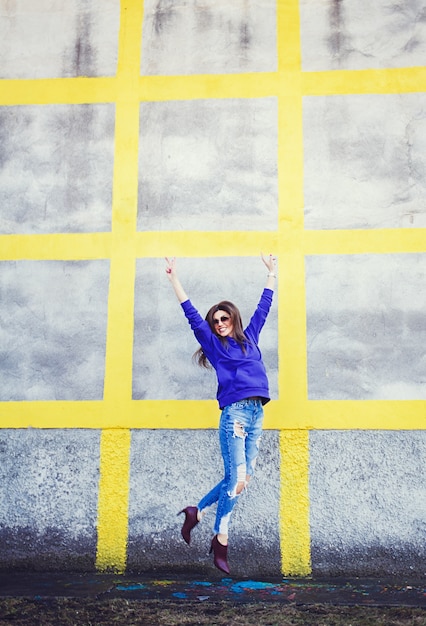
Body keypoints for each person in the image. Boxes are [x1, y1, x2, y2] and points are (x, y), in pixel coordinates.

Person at [165, 254, 276, 574]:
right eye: (216, 321)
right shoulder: (214, 345)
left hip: (256, 414)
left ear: (234, 319)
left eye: (224, 319)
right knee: (236, 479)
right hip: (236, 416)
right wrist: (174, 278)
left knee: (240, 481)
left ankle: (195, 512)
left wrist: (272, 274)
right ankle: (221, 539)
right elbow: (191, 314)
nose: (220, 324)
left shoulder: (250, 337)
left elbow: (263, 308)